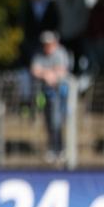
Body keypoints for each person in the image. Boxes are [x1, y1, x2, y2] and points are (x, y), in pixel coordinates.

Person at [31, 31, 69, 162]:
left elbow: (60, 72)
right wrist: (47, 73)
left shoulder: (60, 53)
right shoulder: (39, 54)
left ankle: (59, 148)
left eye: (49, 43)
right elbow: (34, 70)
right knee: (48, 122)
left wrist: (46, 73)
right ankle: (52, 148)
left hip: (59, 94)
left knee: (57, 121)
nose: (46, 46)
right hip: (44, 93)